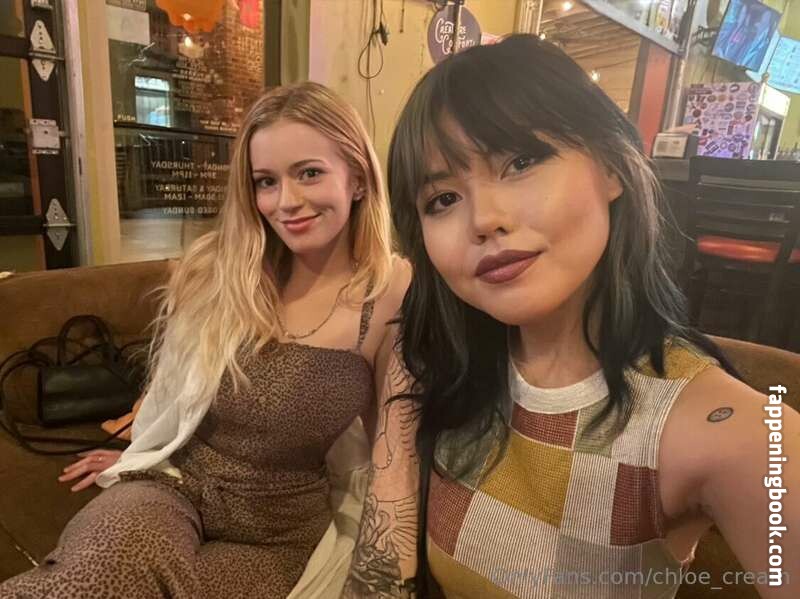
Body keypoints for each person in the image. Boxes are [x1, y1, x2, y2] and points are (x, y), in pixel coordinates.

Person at [347, 34, 799, 598]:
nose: (484, 219)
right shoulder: (442, 364)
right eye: (443, 199)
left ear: (611, 166)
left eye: (521, 161)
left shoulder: (730, 432)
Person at [0, 81, 410, 598]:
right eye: (266, 181)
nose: (287, 202)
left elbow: (394, 452)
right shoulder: (223, 272)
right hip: (171, 489)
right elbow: (176, 390)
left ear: (358, 179)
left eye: (309, 173)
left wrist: (391, 576)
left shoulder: (390, 292)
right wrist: (140, 448)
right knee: (89, 577)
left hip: (276, 536)